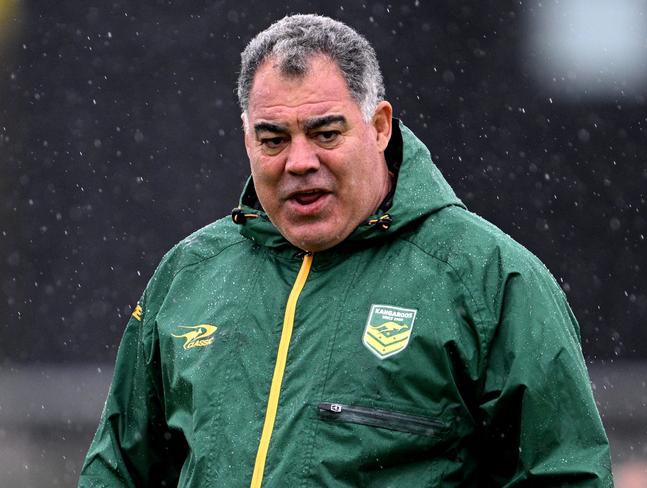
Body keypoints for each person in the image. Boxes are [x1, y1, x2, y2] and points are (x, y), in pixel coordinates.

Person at [79, 14, 613, 487]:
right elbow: (119, 471)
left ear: (379, 127)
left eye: (325, 133)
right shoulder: (190, 273)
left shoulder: (490, 279)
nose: (299, 160)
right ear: (247, 140)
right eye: (273, 139)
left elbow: (564, 476)